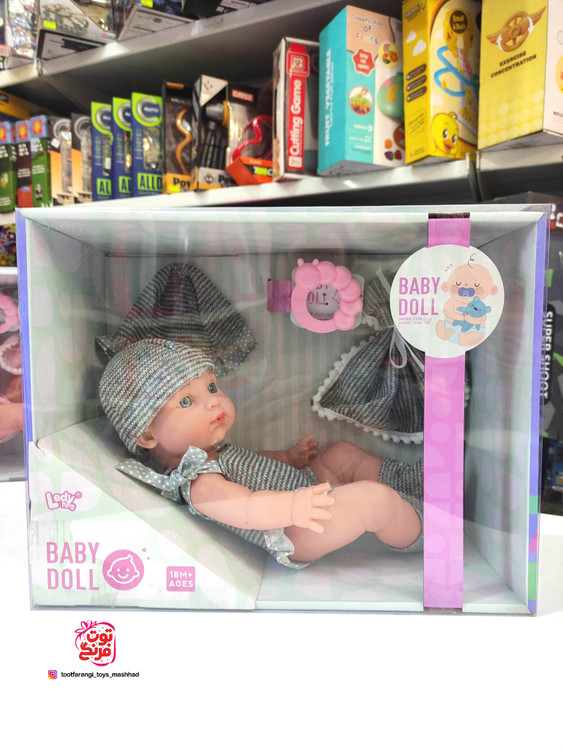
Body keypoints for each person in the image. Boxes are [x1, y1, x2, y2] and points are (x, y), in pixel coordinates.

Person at [100, 338, 423, 569]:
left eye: (211, 387)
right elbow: (247, 509)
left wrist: (287, 458)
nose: (213, 401)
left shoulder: (213, 455)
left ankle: (410, 482)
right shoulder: (200, 485)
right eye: (186, 402)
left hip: (302, 489)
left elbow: (252, 463)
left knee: (341, 455)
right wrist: (293, 507)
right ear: (147, 435)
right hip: (294, 531)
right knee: (373, 500)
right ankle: (424, 531)